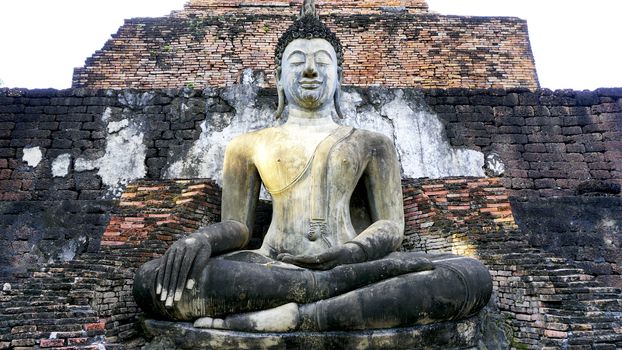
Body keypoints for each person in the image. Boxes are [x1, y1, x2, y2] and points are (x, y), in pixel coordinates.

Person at [133, 1, 492, 332]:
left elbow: (391, 225)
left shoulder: (372, 142)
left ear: (338, 78)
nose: (309, 70)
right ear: (277, 79)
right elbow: (239, 227)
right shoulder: (247, 145)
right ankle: (324, 300)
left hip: (353, 264)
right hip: (271, 266)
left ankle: (296, 315)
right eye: (296, 62)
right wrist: (202, 239)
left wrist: (352, 252)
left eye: (322, 61)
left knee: (469, 275)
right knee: (153, 280)